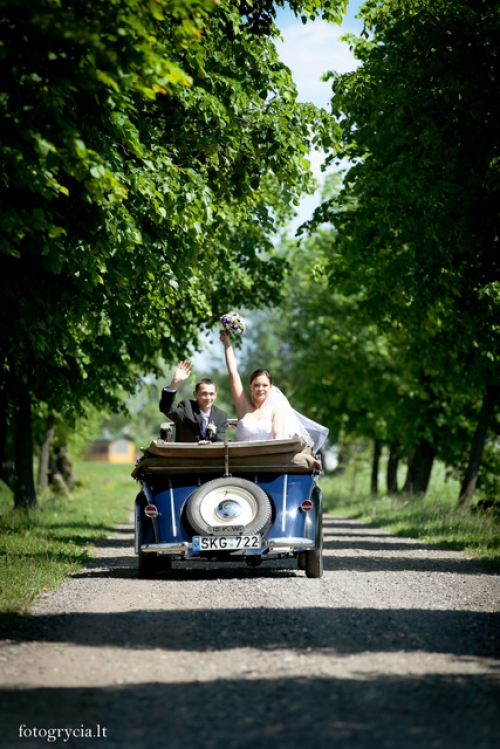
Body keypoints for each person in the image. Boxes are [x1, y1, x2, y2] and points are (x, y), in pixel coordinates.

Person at [159, 361, 227, 444]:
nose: (208, 397)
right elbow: (166, 408)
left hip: (210, 456)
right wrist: (175, 383)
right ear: (195, 394)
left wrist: (209, 445)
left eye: (211, 394)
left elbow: (220, 442)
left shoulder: (221, 415)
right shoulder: (187, 408)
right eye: (204, 394)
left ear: (216, 395)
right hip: (185, 455)